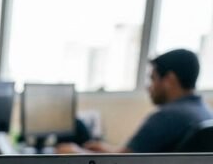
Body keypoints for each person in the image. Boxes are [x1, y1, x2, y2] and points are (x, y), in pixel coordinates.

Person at [59, 49, 212, 154]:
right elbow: (130, 154)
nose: (148, 87)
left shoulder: (168, 116)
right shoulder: (203, 111)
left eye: (152, 79)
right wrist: (106, 149)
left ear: (169, 80)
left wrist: (76, 152)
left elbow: (124, 163)